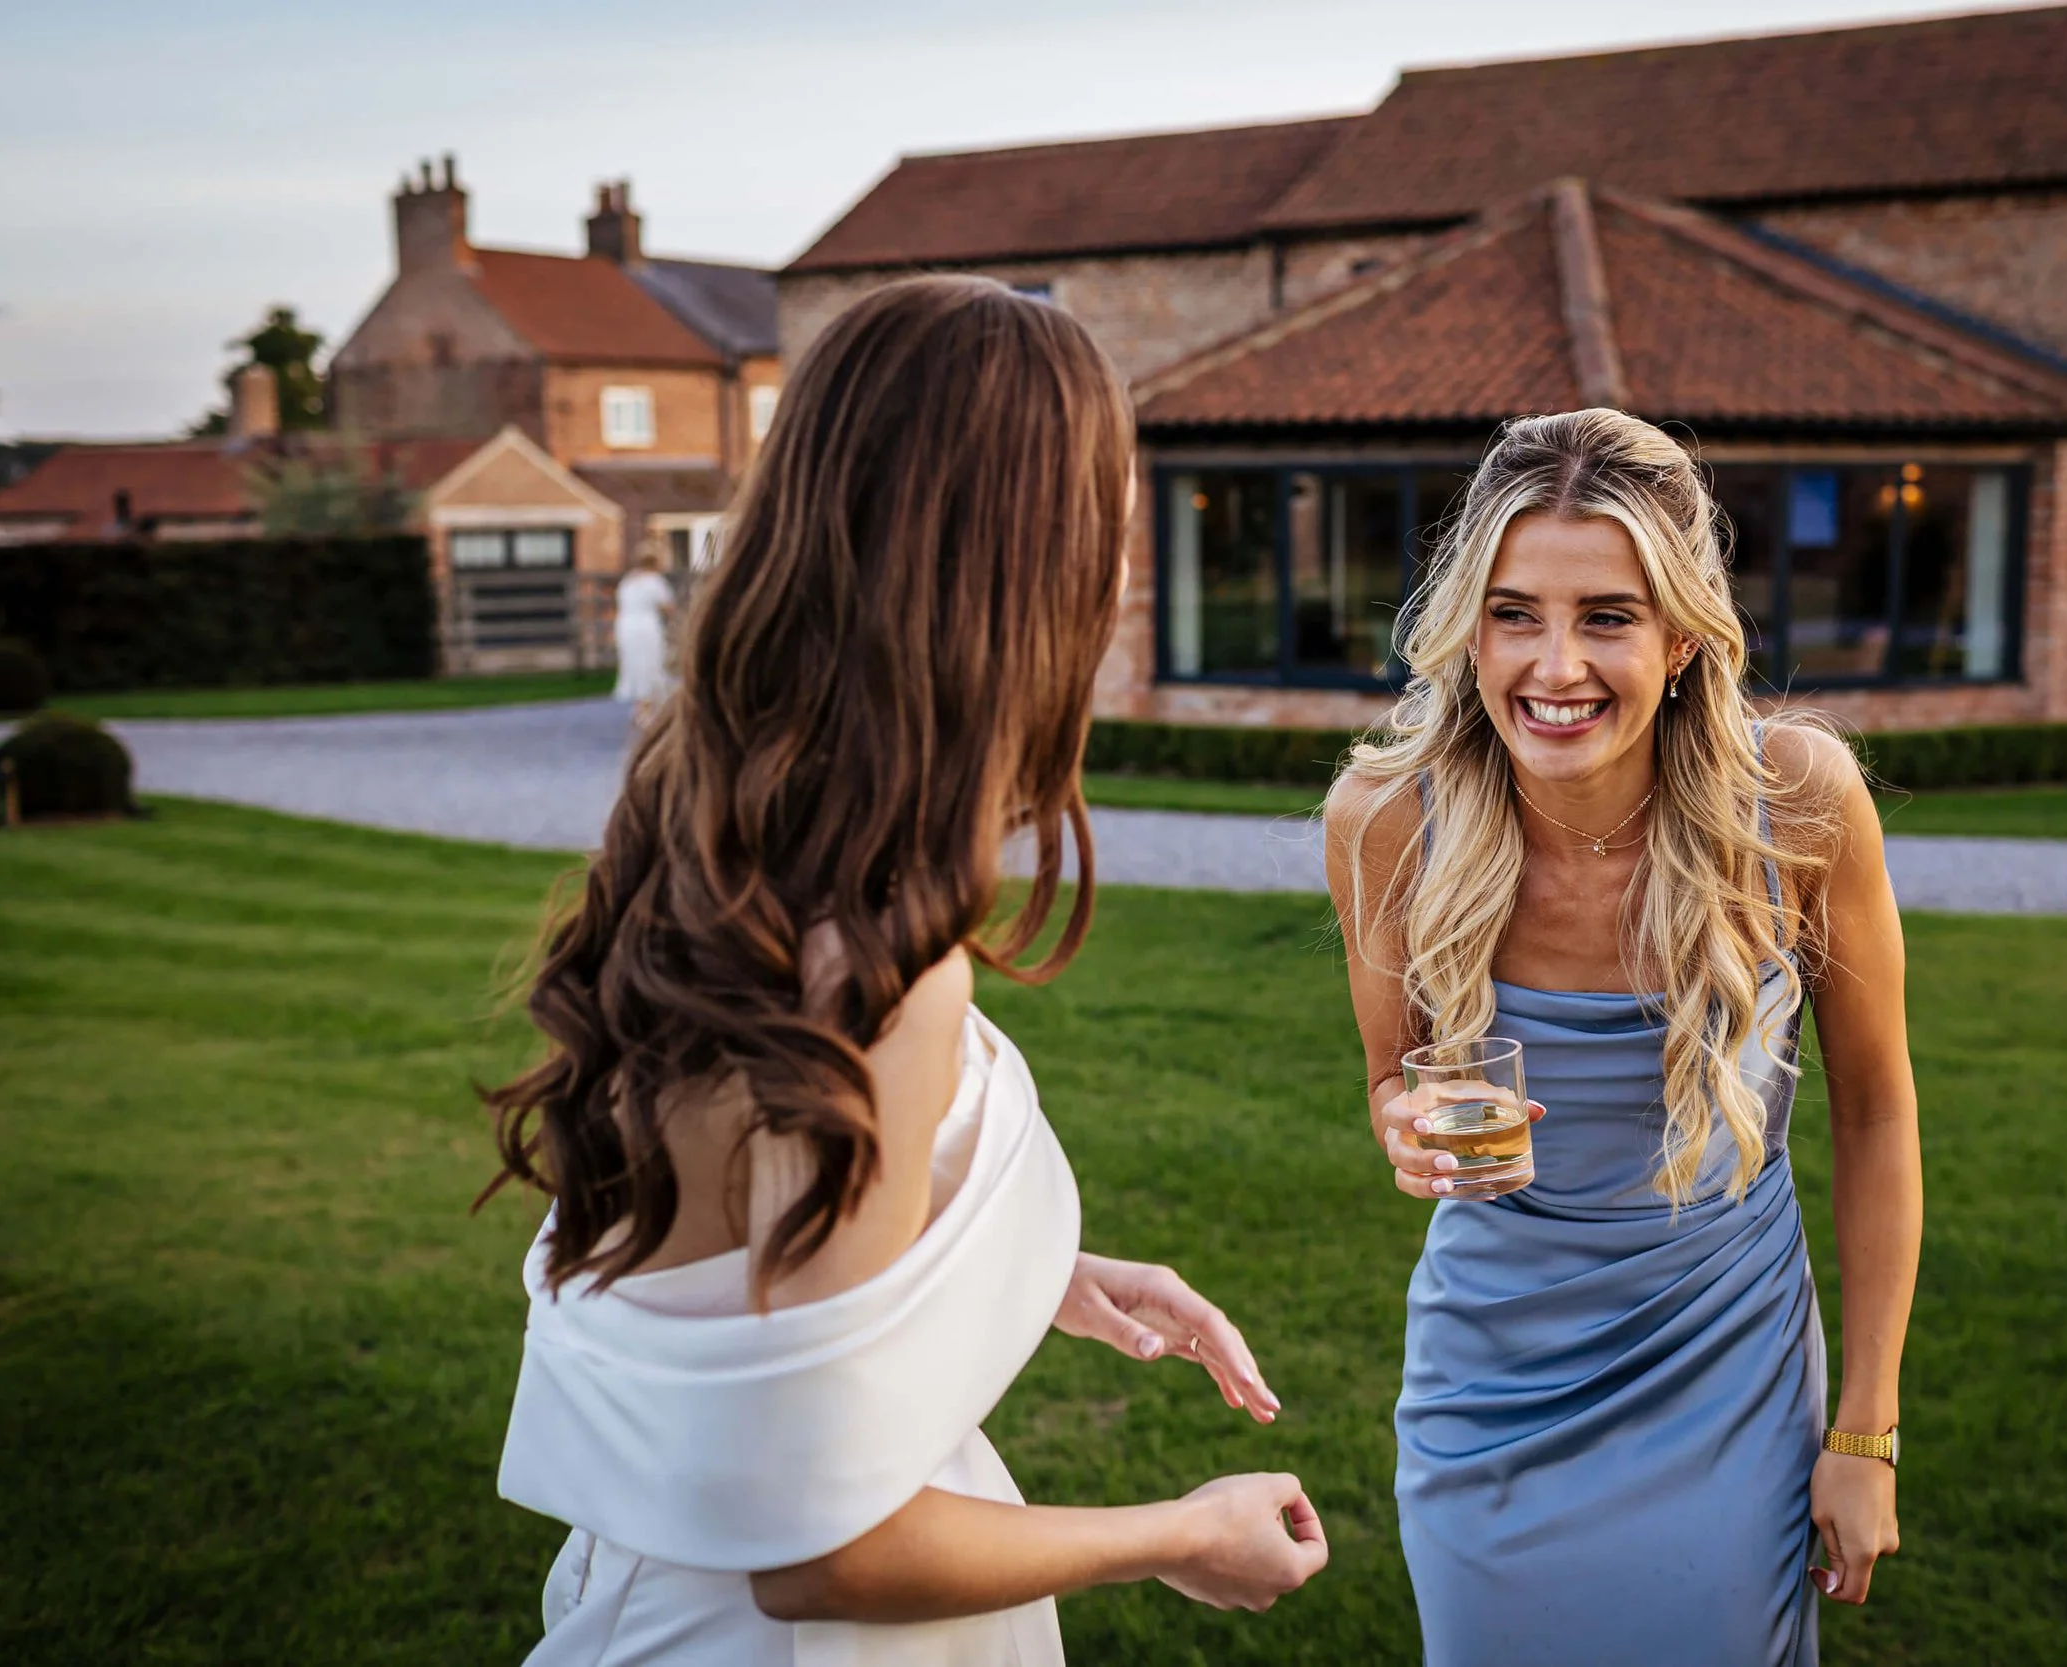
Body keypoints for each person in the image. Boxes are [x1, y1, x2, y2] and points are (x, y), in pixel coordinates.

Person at [485, 276, 1327, 1665]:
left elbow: (749, 1243)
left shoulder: (716, 825)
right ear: (1019, 562)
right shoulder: (881, 972)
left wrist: (1036, 1265)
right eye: (1103, 509)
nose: (1120, 557)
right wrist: (1180, 1528)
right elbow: (827, 1553)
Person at [1325, 409, 1921, 1665]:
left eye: (1605, 615)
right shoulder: (1386, 818)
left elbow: (1875, 1113)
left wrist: (1863, 1430)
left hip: (1727, 1368)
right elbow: (1393, 1082)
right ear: (1465, 627)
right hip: (1490, 1385)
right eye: (1511, 611)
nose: (1553, 665)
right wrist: (1402, 1127)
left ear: (1684, 633)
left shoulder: (1800, 803)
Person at [610, 553, 675, 717]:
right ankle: (648, 706)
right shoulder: (655, 581)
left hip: (625, 625)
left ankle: (641, 704)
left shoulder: (627, 581)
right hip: (646, 625)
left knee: (634, 663)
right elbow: (667, 607)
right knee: (651, 661)